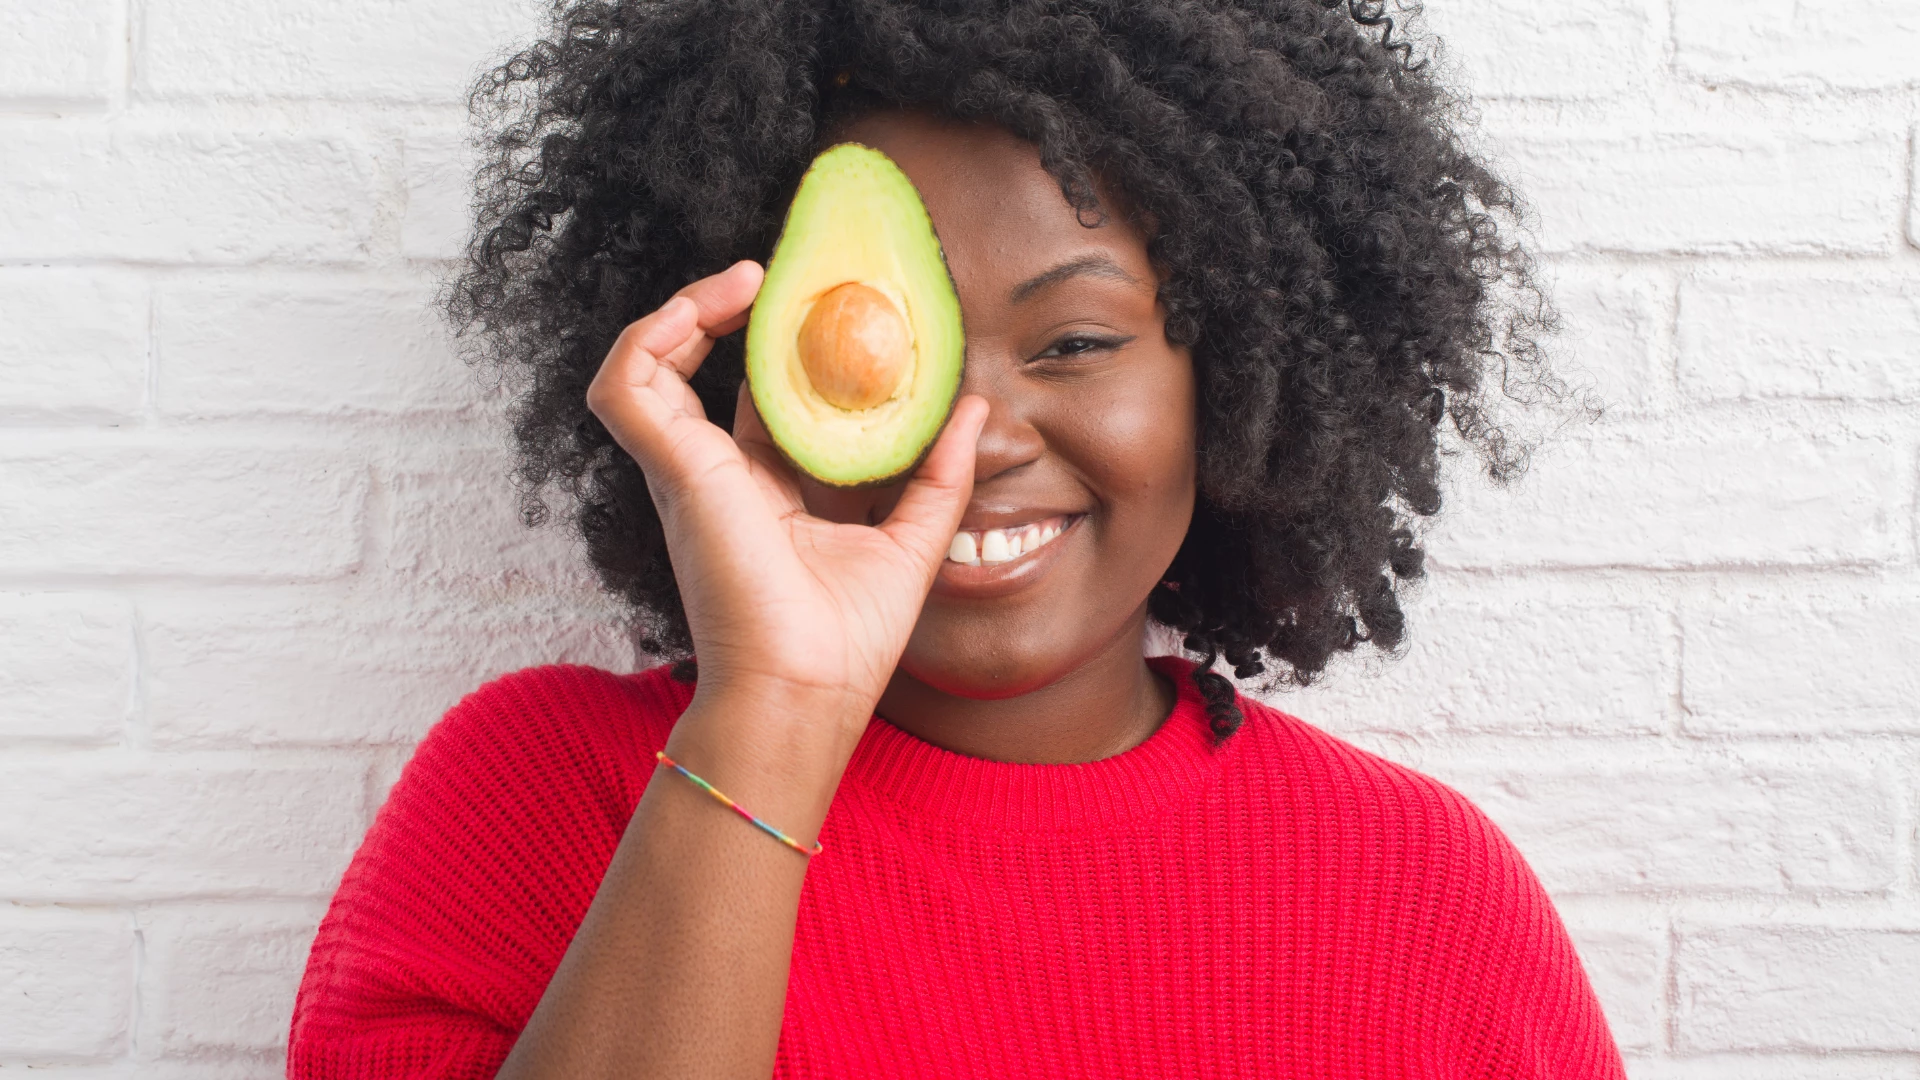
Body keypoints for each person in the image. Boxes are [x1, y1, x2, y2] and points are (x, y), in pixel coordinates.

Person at [289, 1, 1624, 1076]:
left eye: (1079, 343)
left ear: (1237, 380)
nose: (976, 436)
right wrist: (774, 714)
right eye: (873, 352)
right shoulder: (533, 802)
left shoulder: (1424, 895)